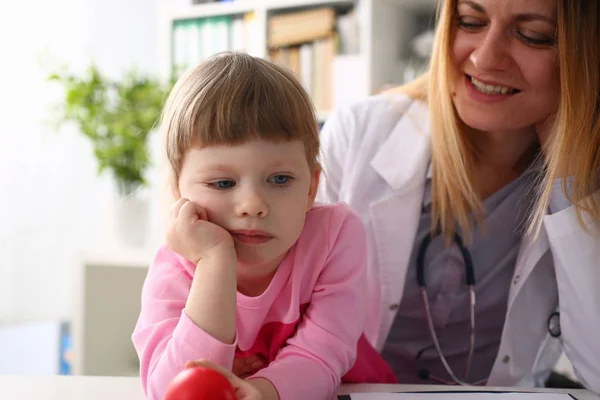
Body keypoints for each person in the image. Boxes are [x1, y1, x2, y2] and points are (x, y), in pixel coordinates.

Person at [316, 0, 600, 393]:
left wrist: (570, 181)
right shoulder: (357, 136)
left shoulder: (587, 179)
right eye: (470, 22)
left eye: (533, 35)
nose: (485, 58)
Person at [131, 52, 395, 400]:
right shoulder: (175, 266)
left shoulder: (335, 236)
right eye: (223, 183)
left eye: (280, 178)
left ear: (311, 187)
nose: (253, 205)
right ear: (178, 190)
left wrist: (260, 392)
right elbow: (170, 390)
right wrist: (214, 262)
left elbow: (322, 354)